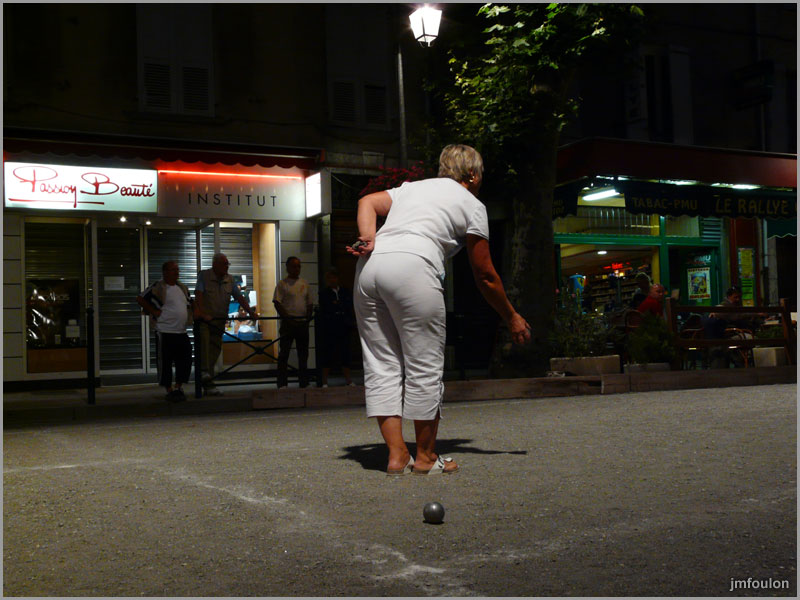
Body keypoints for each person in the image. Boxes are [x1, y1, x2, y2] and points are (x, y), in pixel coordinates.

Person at [347, 144, 531, 476]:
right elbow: (485, 275)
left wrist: (367, 237)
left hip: (370, 267)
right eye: (480, 175)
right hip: (414, 266)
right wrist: (511, 315)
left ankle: (396, 455)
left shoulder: (411, 188)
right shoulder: (473, 205)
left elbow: (367, 201)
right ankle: (426, 457)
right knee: (424, 364)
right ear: (472, 174)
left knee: (380, 363)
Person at [194, 253, 257, 395]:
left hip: (220, 321)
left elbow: (239, 297)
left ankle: (208, 384)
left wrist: (250, 312)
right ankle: (204, 375)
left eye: (228, 264)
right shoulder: (204, 276)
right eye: (224, 264)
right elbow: (198, 295)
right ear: (215, 264)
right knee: (204, 347)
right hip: (205, 320)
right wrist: (202, 314)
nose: (227, 267)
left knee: (214, 351)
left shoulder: (230, 280)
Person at [137, 260, 193, 402]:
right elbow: (141, 298)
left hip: (181, 331)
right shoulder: (158, 287)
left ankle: (179, 386)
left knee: (185, 358)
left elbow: (190, 303)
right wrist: (153, 311)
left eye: (177, 269)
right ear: (165, 272)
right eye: (173, 270)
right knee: (165, 361)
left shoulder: (182, 288)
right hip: (164, 330)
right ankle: (169, 389)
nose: (176, 272)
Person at [273, 256, 313, 388]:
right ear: (288, 268)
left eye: (298, 266)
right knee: (284, 353)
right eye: (294, 266)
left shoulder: (304, 283)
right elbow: (277, 302)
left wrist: (307, 318)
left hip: (302, 322)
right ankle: (282, 383)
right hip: (288, 323)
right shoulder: (282, 284)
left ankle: (304, 382)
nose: (297, 269)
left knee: (303, 354)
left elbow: (309, 302)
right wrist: (287, 318)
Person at [706, 286, 764, 368]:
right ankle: (750, 363)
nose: (738, 299)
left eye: (739, 297)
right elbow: (737, 316)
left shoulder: (733, 305)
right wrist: (756, 314)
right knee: (755, 339)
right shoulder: (726, 306)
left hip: (733, 333)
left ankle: (742, 362)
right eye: (735, 297)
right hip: (730, 334)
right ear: (729, 296)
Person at [318, 267, 355, 387]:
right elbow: (325, 308)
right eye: (329, 278)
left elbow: (348, 306)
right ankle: (324, 381)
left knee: (345, 353)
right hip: (330, 326)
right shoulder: (324, 293)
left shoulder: (345, 291)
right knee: (327, 353)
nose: (332, 280)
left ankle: (348, 379)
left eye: (333, 277)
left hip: (344, 325)